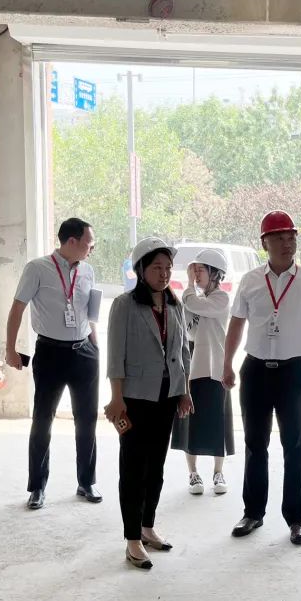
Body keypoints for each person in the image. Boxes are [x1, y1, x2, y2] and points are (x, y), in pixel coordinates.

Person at [223, 210, 301, 546]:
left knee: (294, 444)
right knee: (255, 444)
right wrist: (227, 364)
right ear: (264, 243)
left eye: (292, 237)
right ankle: (253, 512)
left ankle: (297, 518)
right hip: (255, 370)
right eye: (280, 238)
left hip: (292, 371)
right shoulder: (250, 281)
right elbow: (236, 324)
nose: (288, 243)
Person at [104, 237, 194, 570]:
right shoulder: (125, 305)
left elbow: (183, 351)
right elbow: (116, 355)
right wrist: (116, 398)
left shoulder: (175, 304)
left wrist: (185, 390)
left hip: (167, 395)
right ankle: (132, 539)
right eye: (157, 267)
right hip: (134, 398)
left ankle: (147, 526)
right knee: (133, 467)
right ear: (141, 269)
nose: (164, 273)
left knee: (156, 465)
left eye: (168, 267)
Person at [6, 217, 102, 511]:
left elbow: (89, 312)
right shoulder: (37, 268)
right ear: (72, 241)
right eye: (89, 243)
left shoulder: (87, 271)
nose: (92, 249)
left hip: (84, 352)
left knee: (87, 419)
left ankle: (86, 482)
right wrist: (10, 349)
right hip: (50, 353)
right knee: (42, 420)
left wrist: (95, 345)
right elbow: (17, 308)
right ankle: (37, 487)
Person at [171, 248, 235, 496]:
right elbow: (186, 325)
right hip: (192, 364)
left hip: (216, 366)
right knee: (190, 421)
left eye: (201, 270)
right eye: (194, 270)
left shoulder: (221, 298)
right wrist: (189, 289)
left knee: (218, 419)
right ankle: (193, 473)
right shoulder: (192, 298)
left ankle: (218, 472)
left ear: (215, 273)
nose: (196, 274)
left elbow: (195, 304)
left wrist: (188, 286)